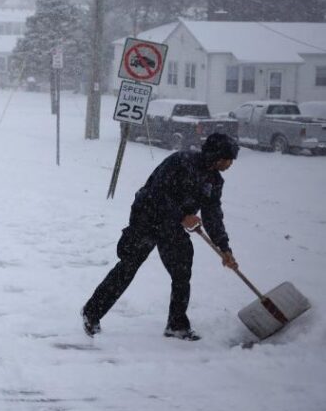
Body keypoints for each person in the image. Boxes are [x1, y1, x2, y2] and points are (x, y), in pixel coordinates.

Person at [81, 133, 240, 341]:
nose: (230, 164)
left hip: (172, 226)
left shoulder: (214, 181)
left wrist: (224, 248)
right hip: (147, 217)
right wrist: (183, 216)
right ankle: (91, 313)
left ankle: (177, 324)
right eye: (228, 159)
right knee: (129, 265)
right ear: (216, 156)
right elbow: (156, 193)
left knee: (182, 269)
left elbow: (213, 215)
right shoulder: (180, 162)